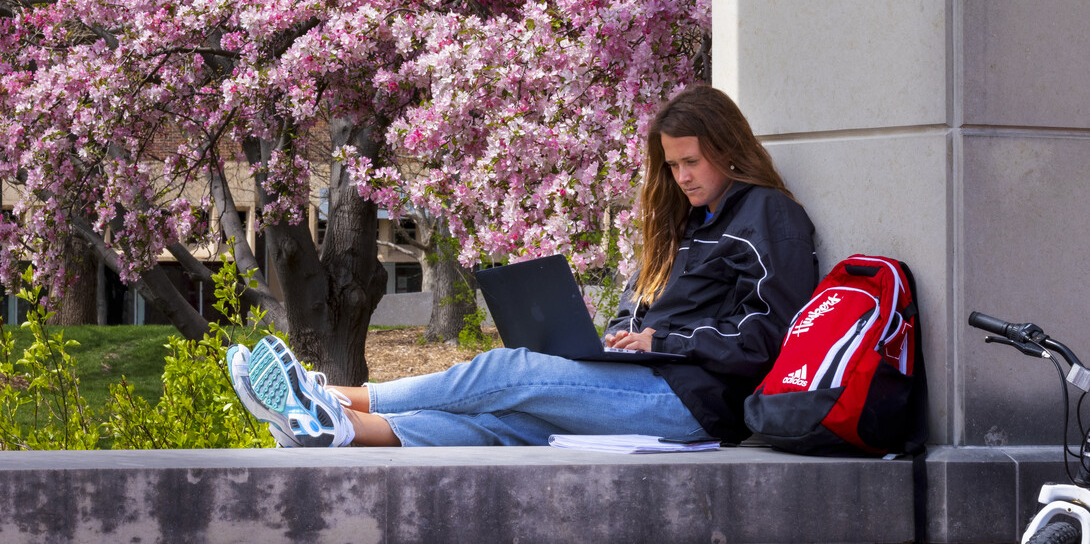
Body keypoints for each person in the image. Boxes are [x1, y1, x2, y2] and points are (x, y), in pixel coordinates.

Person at [226, 85, 819, 447]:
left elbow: (775, 337)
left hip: (693, 402)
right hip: (644, 380)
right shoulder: (684, 225)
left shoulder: (769, 216)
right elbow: (638, 307)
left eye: (691, 162)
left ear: (727, 147)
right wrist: (620, 333)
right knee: (504, 423)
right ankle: (339, 431)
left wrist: (665, 339)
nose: (681, 178)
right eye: (671, 166)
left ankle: (336, 396)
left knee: (507, 372)